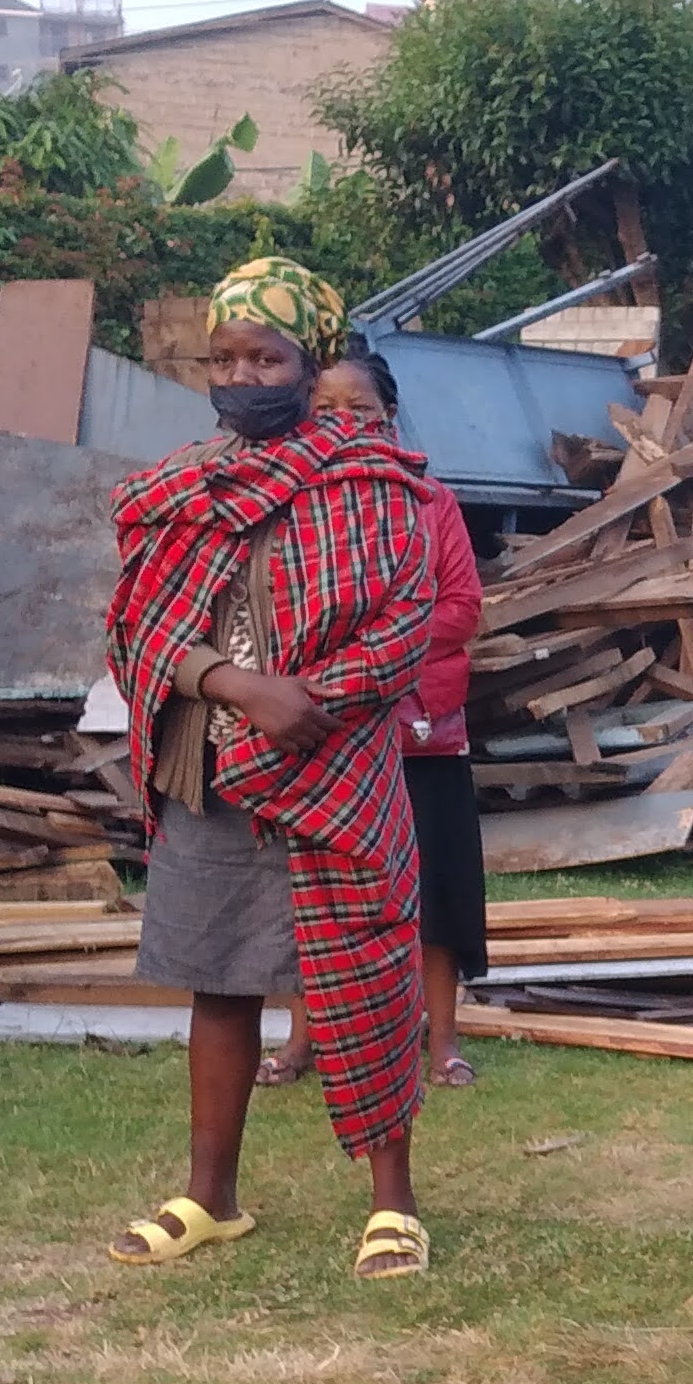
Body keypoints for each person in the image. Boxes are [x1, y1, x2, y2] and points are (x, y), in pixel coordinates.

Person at [99, 258, 437, 1279]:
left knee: (368, 977)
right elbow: (136, 629)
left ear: (312, 361)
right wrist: (239, 690)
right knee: (217, 982)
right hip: (208, 767)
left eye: (268, 355)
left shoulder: (372, 485)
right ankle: (211, 1195)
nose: (245, 374)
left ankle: (394, 1202)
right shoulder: (179, 490)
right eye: (227, 356)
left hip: (334, 770)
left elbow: (404, 624)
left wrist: (311, 700)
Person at [260, 344, 486, 1091]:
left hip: (418, 728)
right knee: (308, 893)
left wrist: (370, 651)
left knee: (434, 893)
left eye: (361, 411)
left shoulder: (430, 503)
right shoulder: (288, 502)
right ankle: (304, 1040)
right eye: (327, 411)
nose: (345, 424)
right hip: (319, 731)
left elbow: (460, 608)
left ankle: (442, 1039)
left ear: (389, 420)